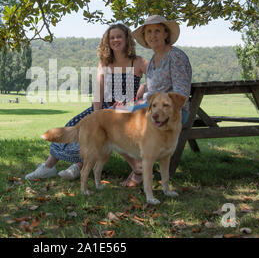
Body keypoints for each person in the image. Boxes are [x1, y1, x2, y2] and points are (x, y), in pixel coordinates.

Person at [25, 23, 148, 180]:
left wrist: (143, 86)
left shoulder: (138, 62)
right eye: (112, 37)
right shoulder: (104, 62)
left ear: (127, 39)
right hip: (102, 109)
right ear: (107, 41)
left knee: (98, 135)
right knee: (72, 127)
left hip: (126, 112)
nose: (115, 40)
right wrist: (97, 116)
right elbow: (98, 92)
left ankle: (78, 166)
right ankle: (49, 167)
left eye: (119, 37)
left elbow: (157, 79)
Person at [119, 15, 192, 187]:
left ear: (166, 34)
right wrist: (141, 91)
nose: (152, 35)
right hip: (149, 107)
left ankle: (139, 169)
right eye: (149, 32)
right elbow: (154, 87)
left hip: (172, 113)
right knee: (114, 113)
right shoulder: (152, 60)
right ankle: (138, 166)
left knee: (120, 118)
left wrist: (142, 104)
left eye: (157, 31)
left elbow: (180, 94)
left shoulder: (176, 56)